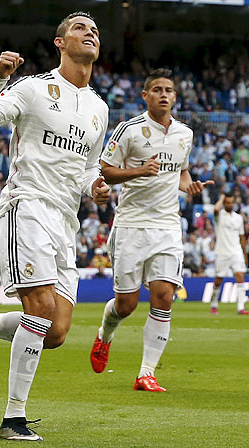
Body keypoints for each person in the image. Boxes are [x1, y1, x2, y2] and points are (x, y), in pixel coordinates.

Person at [0, 11, 110, 441]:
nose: (91, 33)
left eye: (95, 30)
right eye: (81, 28)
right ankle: (13, 418)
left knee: (56, 332)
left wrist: (96, 186)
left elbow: (86, 170)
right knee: (41, 311)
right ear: (60, 43)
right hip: (26, 207)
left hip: (67, 222)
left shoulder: (99, 108)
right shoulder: (32, 88)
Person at [89, 69, 212, 392]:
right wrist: (138, 170)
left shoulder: (184, 134)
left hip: (167, 227)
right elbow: (105, 171)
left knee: (164, 297)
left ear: (174, 97)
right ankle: (105, 335)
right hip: (131, 225)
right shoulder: (129, 130)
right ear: (145, 96)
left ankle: (147, 373)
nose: (163, 94)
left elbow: (181, 173)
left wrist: (190, 187)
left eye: (168, 90)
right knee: (126, 305)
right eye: (156, 89)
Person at [209, 192, 249, 315]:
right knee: (218, 280)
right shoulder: (219, 216)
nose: (230, 204)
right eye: (227, 202)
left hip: (236, 251)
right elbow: (216, 208)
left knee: (240, 276)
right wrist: (221, 197)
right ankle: (214, 302)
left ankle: (241, 307)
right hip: (222, 252)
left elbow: (242, 237)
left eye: (232, 202)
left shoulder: (238, 218)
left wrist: (244, 253)